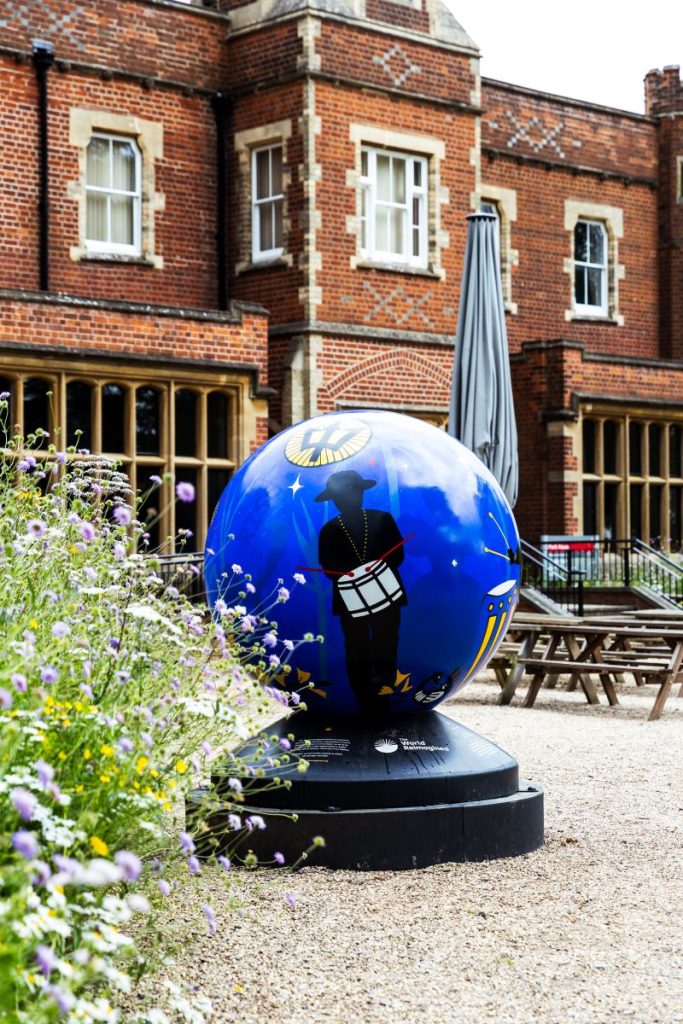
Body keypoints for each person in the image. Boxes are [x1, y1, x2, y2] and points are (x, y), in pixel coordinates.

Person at [316, 470, 407, 714]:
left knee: (387, 644)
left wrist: (373, 571)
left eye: (351, 493)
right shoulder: (330, 530)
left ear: (360, 493)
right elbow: (328, 566)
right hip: (350, 600)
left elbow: (397, 556)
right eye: (340, 497)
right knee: (356, 648)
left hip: (387, 596)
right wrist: (355, 575)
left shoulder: (384, 519)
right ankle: (363, 700)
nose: (346, 499)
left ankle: (384, 697)